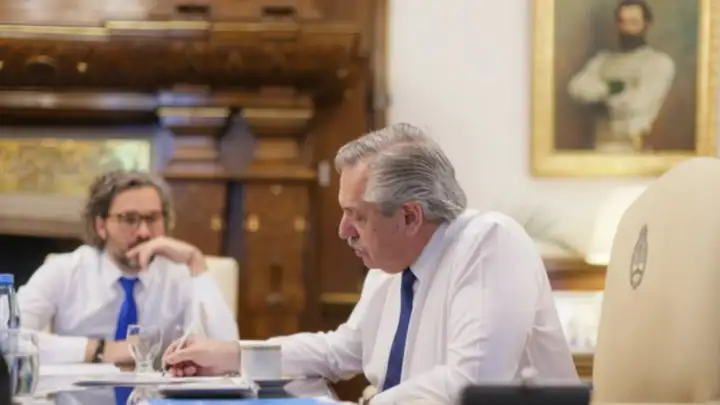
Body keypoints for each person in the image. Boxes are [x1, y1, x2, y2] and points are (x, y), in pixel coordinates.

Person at [162, 123, 578, 404]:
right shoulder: (390, 266)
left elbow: (470, 384)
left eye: (357, 216)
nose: (343, 231)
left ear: (409, 217)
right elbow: (338, 351)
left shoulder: (490, 242)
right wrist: (232, 355)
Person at [16, 170, 239, 365]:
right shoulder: (65, 271)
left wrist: (195, 261)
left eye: (153, 218)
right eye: (129, 219)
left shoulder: (180, 274)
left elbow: (228, 353)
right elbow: (7, 337)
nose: (144, 232)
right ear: (101, 225)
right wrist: (99, 350)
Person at [568, 0, 675, 152]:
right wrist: (612, 88)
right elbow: (576, 87)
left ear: (646, 24)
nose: (627, 29)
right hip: (599, 145)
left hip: (633, 147)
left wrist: (599, 95)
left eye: (634, 22)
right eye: (623, 22)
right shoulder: (603, 60)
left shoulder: (658, 62)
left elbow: (638, 103)